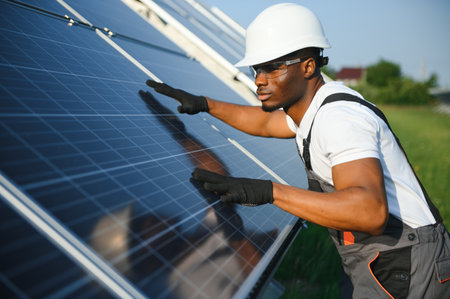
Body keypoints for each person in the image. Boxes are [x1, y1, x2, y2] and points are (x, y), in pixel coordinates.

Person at [145, 3, 449, 298]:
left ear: (308, 66)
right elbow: (264, 124)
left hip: (405, 261)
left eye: (272, 67)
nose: (259, 80)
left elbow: (369, 211)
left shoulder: (339, 119)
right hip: (384, 256)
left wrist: (270, 192)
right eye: (256, 69)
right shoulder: (310, 109)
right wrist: (204, 104)